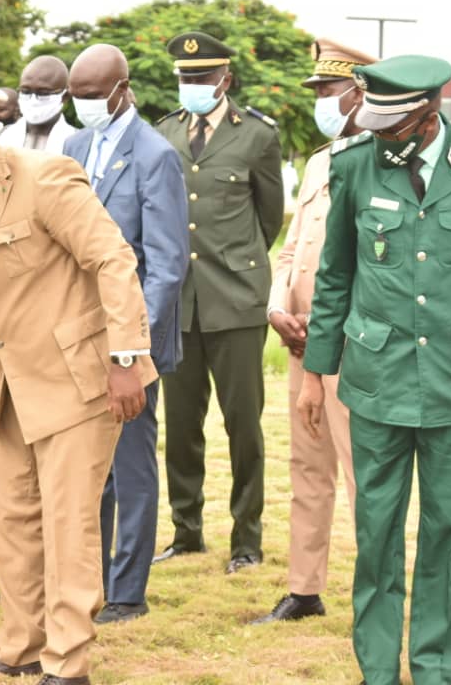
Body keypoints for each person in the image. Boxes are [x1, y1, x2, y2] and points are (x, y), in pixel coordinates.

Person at [298, 54, 451, 685]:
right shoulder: (353, 167)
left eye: (390, 123)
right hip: (375, 382)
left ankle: (434, 670)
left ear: (428, 114)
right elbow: (334, 278)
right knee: (376, 535)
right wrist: (311, 374)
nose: (377, 133)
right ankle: (378, 670)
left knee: (449, 535)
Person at [0, 97, 155, 685]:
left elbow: (113, 260)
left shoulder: (46, 178)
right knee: (11, 518)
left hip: (81, 381)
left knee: (68, 525)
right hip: (16, 386)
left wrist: (125, 359)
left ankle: (68, 664)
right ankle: (22, 649)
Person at [62, 43, 188, 624]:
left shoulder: (155, 156)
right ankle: (87, 577)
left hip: (129, 340)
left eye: (92, 98)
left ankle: (128, 591)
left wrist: (134, 349)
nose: (84, 107)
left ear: (121, 89)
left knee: (131, 465)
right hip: (74, 336)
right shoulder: (74, 145)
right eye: (76, 98)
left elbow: (166, 264)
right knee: (89, 467)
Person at [153, 31, 284, 573]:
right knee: (181, 426)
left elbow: (269, 217)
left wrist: (240, 264)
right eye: (186, 80)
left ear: (225, 80)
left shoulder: (255, 136)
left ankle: (246, 540)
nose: (194, 88)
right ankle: (187, 531)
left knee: (243, 425)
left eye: (203, 79)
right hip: (178, 302)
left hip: (235, 300)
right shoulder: (164, 133)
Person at [253, 38, 373, 625]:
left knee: (364, 475)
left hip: (353, 348)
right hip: (303, 343)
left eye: (328, 90)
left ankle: (375, 593)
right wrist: (278, 309)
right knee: (307, 468)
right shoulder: (322, 161)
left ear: (360, 91)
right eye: (319, 91)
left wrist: (326, 327)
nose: (321, 100)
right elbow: (292, 250)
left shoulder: (383, 159)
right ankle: (305, 588)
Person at [0, 56, 76, 153]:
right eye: (26, 91)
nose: (33, 100)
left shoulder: (78, 143)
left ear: (65, 97)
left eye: (43, 93)